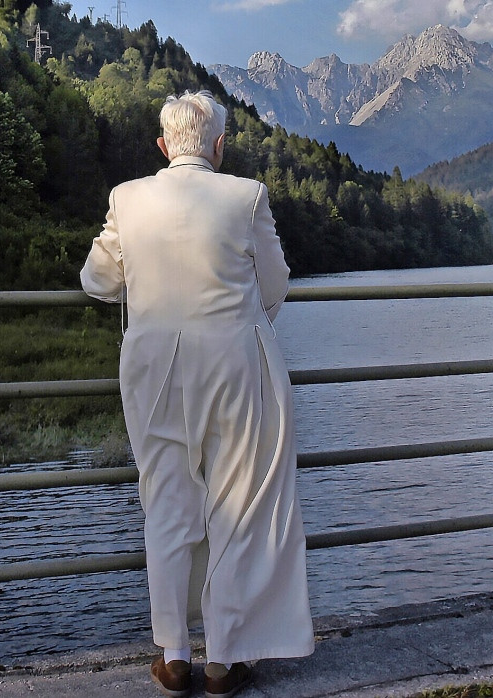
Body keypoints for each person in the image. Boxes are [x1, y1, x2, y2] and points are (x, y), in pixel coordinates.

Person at [80, 90, 314, 698]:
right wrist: (237, 321)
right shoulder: (247, 195)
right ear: (219, 145)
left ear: (162, 146)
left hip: (153, 367)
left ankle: (174, 654)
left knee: (166, 503)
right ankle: (225, 660)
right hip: (235, 363)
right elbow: (276, 283)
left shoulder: (126, 199)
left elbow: (96, 279)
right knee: (237, 502)